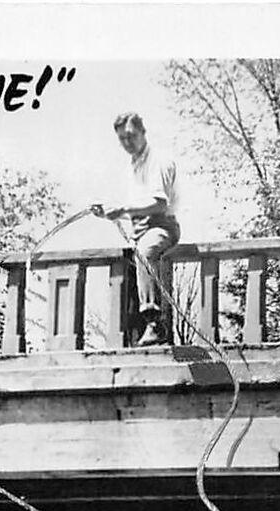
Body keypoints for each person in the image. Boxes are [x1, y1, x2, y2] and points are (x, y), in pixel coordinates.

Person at [93, 112, 180, 345]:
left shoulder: (158, 161)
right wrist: (110, 211)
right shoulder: (132, 165)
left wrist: (122, 209)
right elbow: (133, 207)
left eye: (131, 136)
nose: (127, 143)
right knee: (128, 266)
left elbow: (160, 204)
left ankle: (155, 324)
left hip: (162, 226)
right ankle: (135, 335)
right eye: (122, 139)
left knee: (145, 252)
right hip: (139, 230)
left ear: (143, 132)